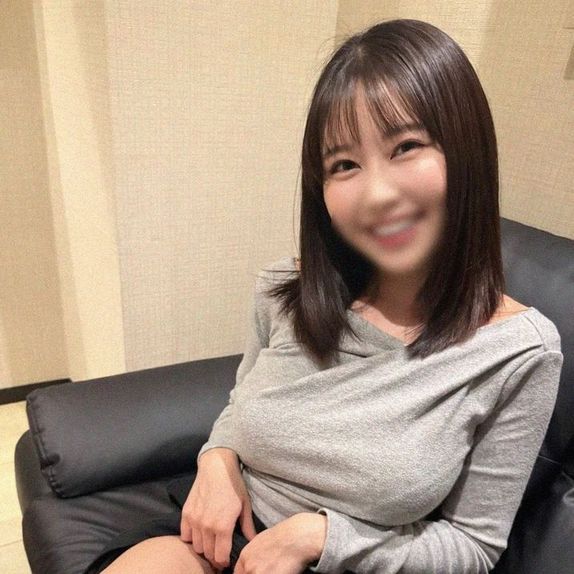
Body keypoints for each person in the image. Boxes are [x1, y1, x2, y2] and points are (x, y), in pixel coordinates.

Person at [94, 18, 563, 574]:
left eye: (406, 146)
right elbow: (241, 403)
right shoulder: (284, 291)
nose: (377, 194)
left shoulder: (518, 352)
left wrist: (318, 537)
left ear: (468, 151)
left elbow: (474, 546)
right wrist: (216, 458)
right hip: (217, 535)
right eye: (344, 165)